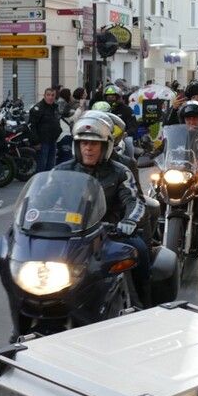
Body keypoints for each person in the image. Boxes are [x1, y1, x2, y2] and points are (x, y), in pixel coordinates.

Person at [53, 117, 149, 304]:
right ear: (77, 146)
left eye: (94, 144)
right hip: (70, 234)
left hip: (110, 234)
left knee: (139, 249)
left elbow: (134, 201)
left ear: (105, 147)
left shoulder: (120, 171)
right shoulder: (60, 171)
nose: (88, 148)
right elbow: (42, 198)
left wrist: (129, 221)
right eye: (84, 143)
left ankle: (144, 305)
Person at [28, 87, 62, 172]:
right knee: (41, 168)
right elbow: (32, 126)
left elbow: (56, 121)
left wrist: (58, 131)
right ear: (44, 96)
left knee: (50, 167)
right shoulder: (38, 108)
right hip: (42, 143)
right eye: (48, 95)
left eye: (53, 95)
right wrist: (35, 142)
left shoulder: (54, 107)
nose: (50, 97)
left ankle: (48, 181)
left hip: (52, 141)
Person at [102, 84, 137, 157]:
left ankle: (131, 160)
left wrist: (126, 133)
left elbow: (133, 126)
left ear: (118, 97)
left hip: (122, 136)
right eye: (108, 97)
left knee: (128, 141)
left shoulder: (127, 109)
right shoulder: (103, 109)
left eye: (112, 97)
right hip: (106, 135)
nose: (110, 99)